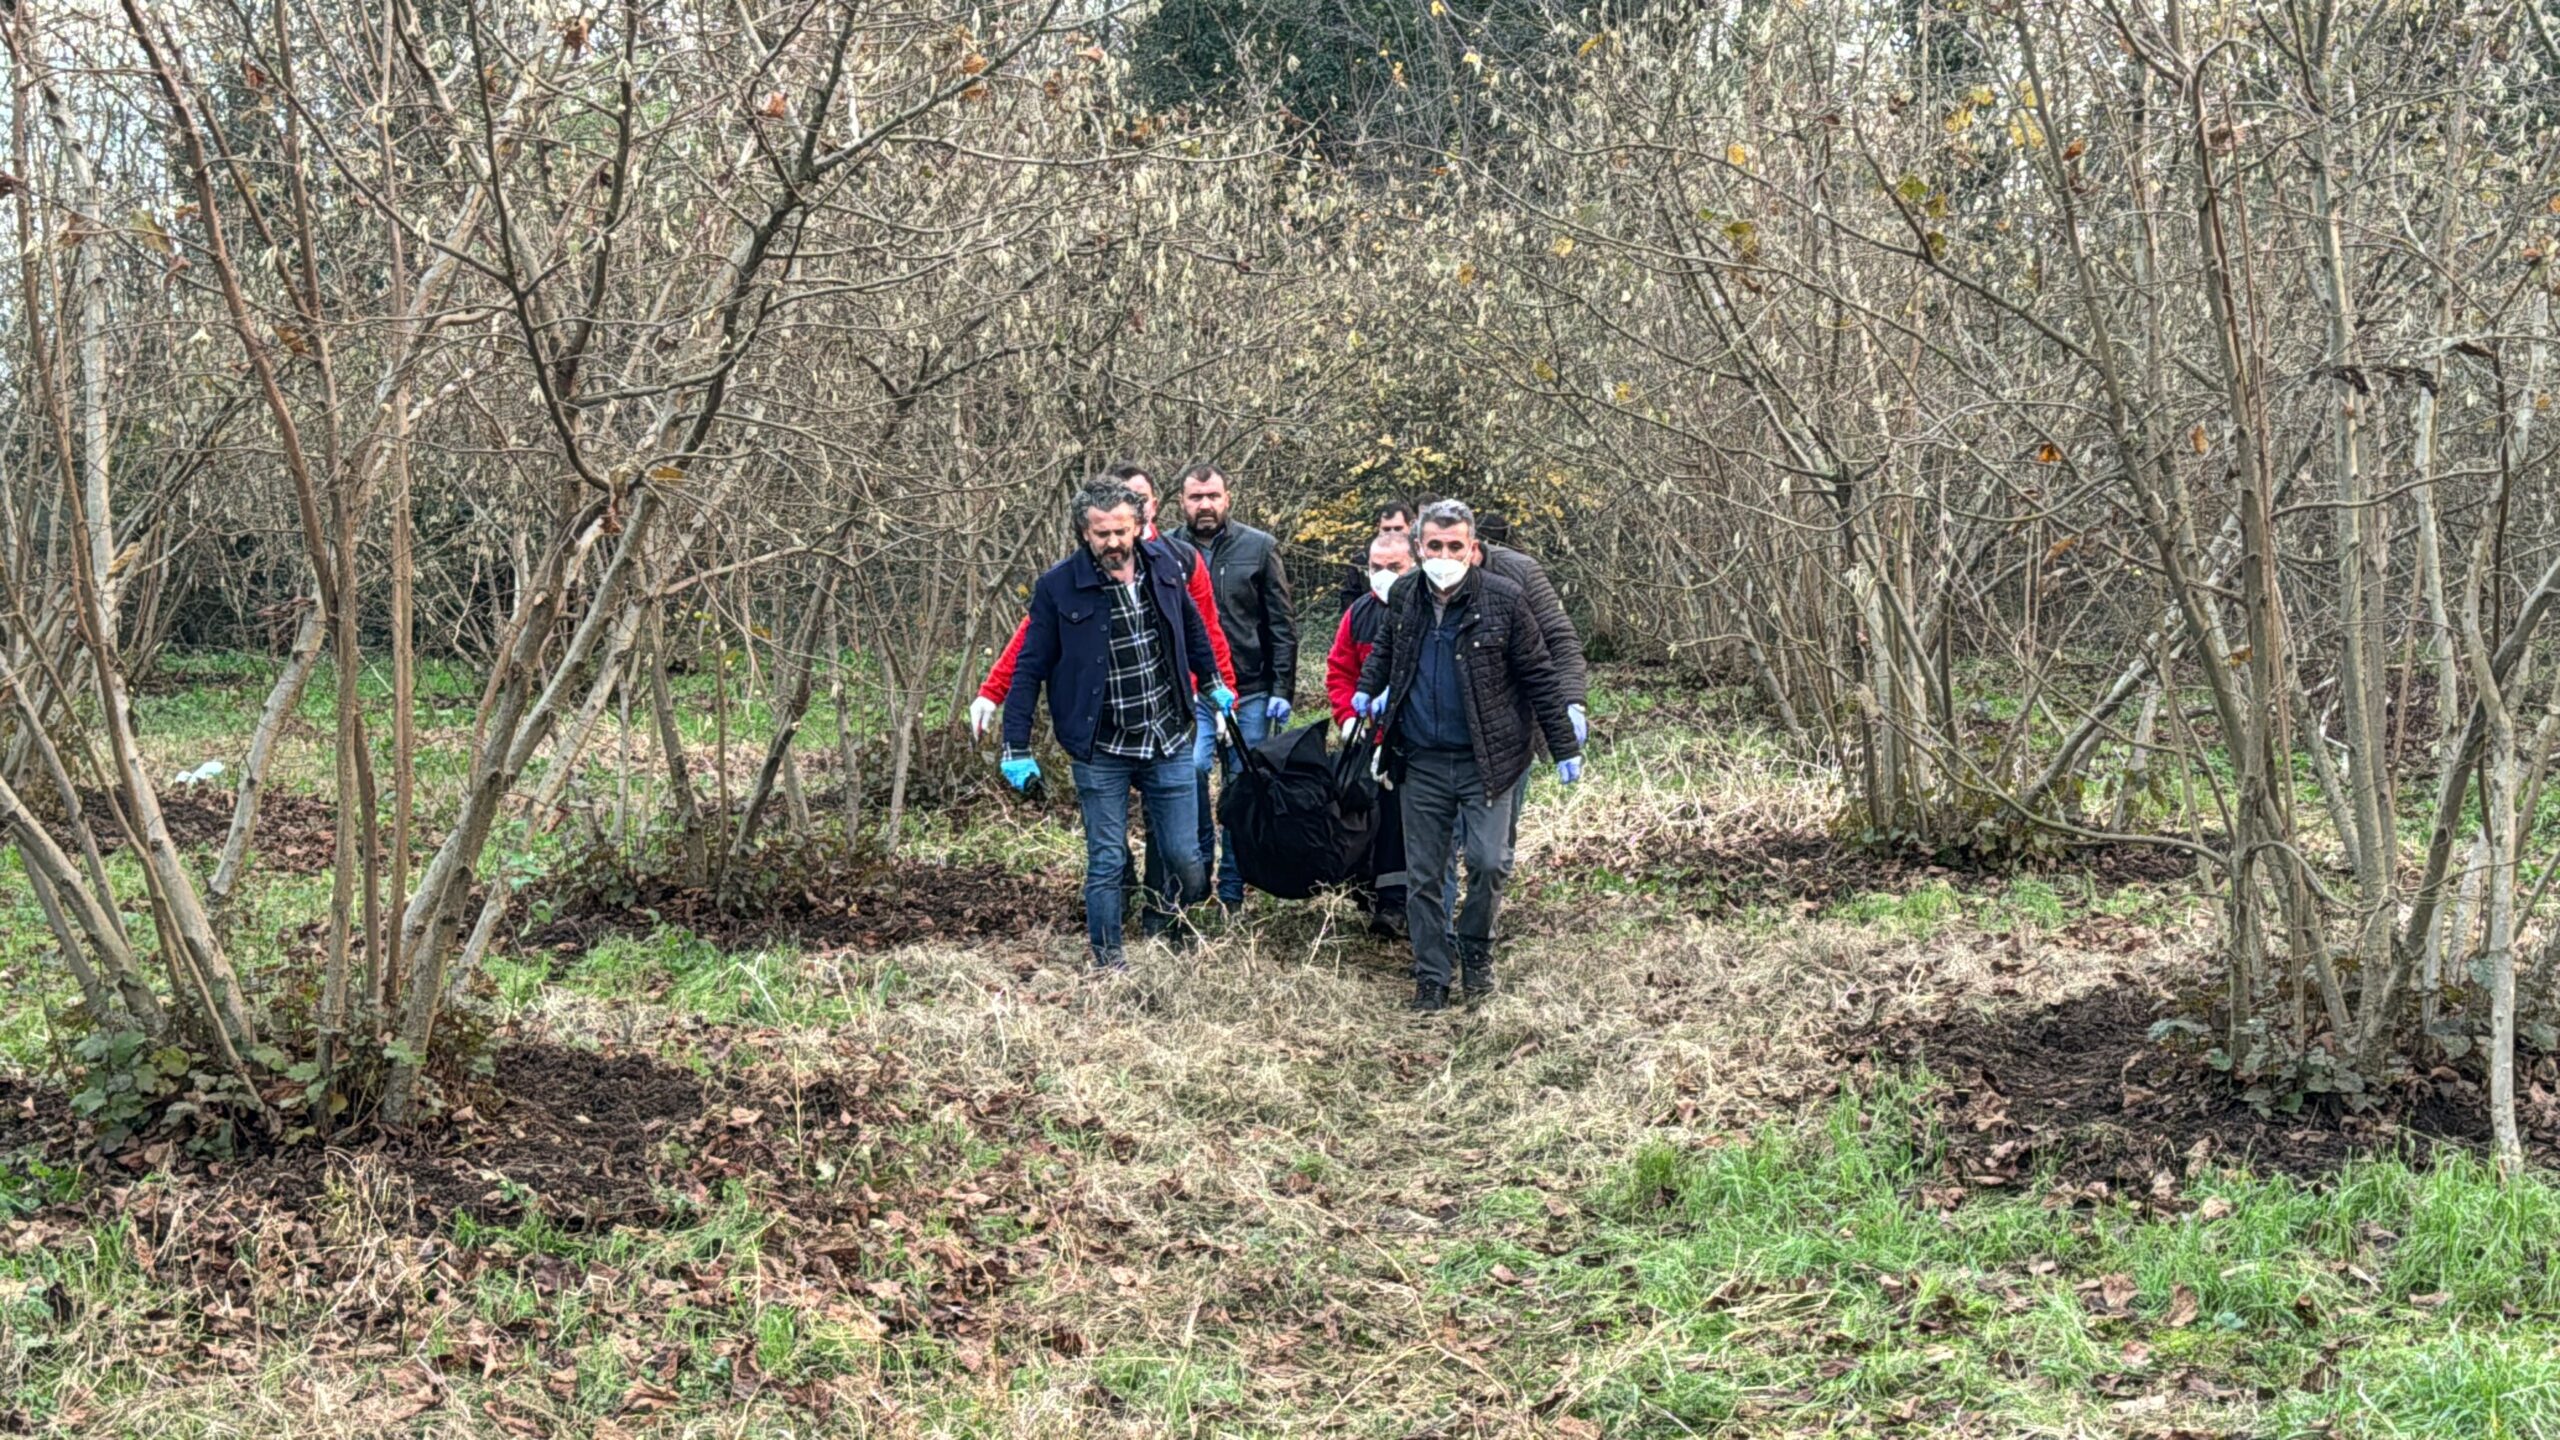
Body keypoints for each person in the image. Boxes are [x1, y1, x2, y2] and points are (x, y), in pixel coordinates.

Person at [1351, 499, 1581, 1012]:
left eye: (1455, 546)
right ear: (1419, 547)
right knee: (1425, 874)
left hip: (1489, 760)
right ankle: (1432, 973)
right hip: (1422, 759)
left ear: (1473, 549)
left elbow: (1539, 674)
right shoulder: (1406, 596)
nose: (1444, 555)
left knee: (1488, 861)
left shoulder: (1505, 599)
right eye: (1434, 545)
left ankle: (1476, 948)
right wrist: (1369, 687)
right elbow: (1388, 649)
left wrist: (1563, 740)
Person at [972, 463, 1237, 906]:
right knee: (1109, 852)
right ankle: (1122, 914)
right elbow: (1030, 645)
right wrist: (993, 693)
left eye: (1130, 512)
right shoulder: (1070, 581)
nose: (1115, 537)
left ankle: (1171, 909)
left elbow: (1204, 632)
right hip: (1105, 730)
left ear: (1147, 510)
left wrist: (1221, 691)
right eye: (1103, 528)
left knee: (1179, 828)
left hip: (1174, 715)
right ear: (1088, 528)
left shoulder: (1179, 562)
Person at [1179, 460, 1298, 912]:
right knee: (1189, 774)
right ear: (1182, 502)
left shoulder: (1260, 547)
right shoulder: (1168, 550)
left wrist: (1281, 690)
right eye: (1196, 497)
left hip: (1249, 690)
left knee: (1242, 787)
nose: (1205, 505)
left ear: (1227, 498)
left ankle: (1231, 891)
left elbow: (1281, 624)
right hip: (1192, 693)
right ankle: (1195, 880)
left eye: (1213, 496)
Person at [1326, 531, 1416, 938]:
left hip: (1413, 739)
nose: (1384, 575)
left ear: (1412, 564)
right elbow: (1340, 670)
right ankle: (1367, 891)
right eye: (1376, 568)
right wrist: (1348, 717)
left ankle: (1397, 904)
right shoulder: (1358, 613)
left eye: (1394, 568)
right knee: (1366, 815)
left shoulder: (1427, 610)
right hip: (1367, 740)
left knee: (1402, 821)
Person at [1333, 498, 1419, 615]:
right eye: (1386, 529)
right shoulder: (1362, 558)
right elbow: (1349, 597)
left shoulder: (1422, 555)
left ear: (1410, 526)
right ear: (1379, 528)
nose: (1392, 533)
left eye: (1398, 528)